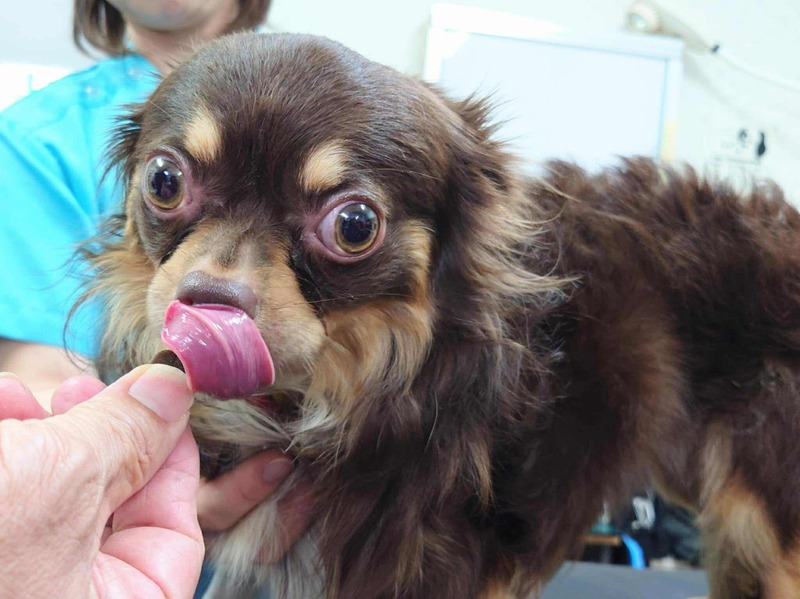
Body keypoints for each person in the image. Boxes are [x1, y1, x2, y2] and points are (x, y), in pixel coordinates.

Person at [0, 0, 308, 591]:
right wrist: (104, 480)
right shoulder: (36, 140)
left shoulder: (352, 92)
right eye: (166, 186)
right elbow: (45, 383)